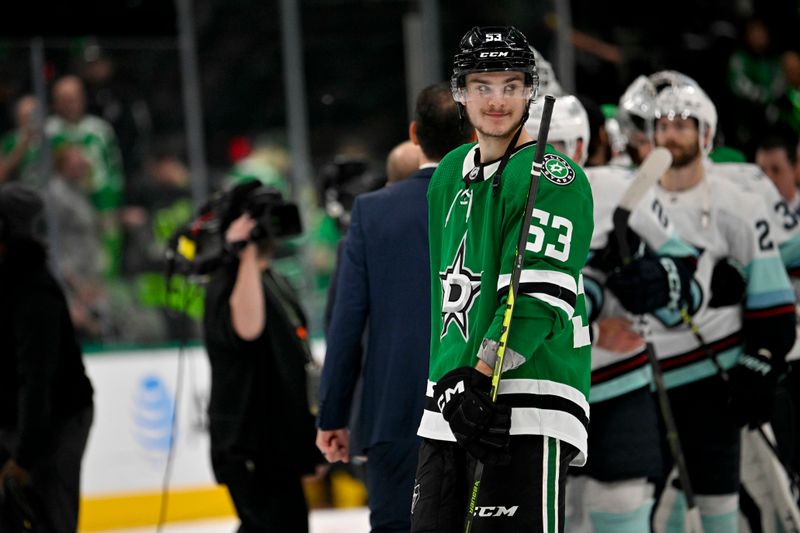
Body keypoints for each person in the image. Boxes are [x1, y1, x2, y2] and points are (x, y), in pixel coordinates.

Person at [411, 26, 594, 533]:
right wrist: (453, 388)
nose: (497, 100)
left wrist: (480, 376)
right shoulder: (448, 174)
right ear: (460, 92)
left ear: (530, 92)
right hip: (451, 407)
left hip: (529, 402)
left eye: (511, 85)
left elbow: (537, 299)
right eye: (483, 85)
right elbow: (449, 300)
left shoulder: (554, 177)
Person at [634, 73, 797, 532]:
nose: (670, 134)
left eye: (683, 124)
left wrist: (761, 360)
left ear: (705, 133)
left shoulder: (738, 203)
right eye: (663, 125)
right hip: (644, 380)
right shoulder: (633, 198)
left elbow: (773, 299)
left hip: (713, 381)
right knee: (637, 507)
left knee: (720, 506)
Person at [316, 82, 473, 532]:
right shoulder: (490, 203)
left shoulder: (371, 213)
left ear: (414, 134)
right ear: (472, 137)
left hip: (394, 416)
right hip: (477, 413)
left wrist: (333, 415)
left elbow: (345, 325)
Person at [202, 182, 323, 532]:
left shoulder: (271, 278)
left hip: (278, 446)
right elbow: (248, 328)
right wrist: (244, 251)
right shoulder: (229, 280)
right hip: (250, 447)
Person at [0, 183, 95, 533]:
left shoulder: (33, 290)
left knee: (50, 516)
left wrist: (23, 458)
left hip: (56, 423)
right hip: (19, 420)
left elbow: (36, 380)